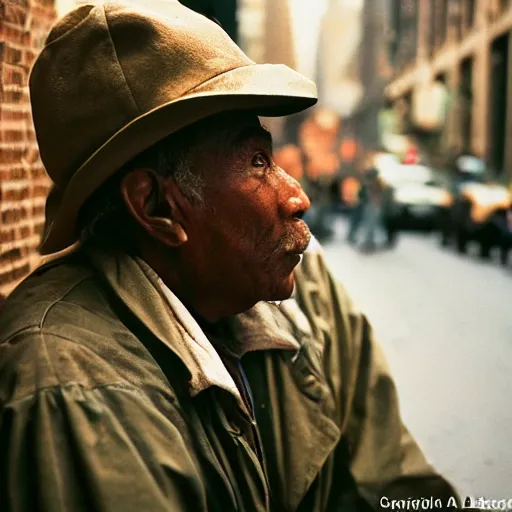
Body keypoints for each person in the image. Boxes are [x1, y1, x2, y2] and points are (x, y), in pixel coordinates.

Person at [0, 2, 459, 510]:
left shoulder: (299, 288)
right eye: (257, 162)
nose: (297, 196)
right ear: (156, 207)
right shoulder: (73, 391)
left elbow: (403, 489)